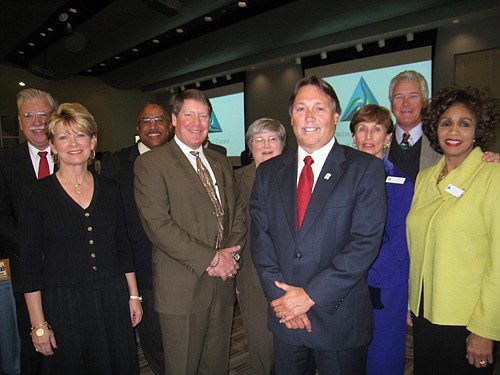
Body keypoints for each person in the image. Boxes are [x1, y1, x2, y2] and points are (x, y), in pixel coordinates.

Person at [250, 75, 387, 375]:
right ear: (291, 118)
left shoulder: (365, 169)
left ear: (336, 117)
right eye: (301, 109)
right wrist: (284, 301)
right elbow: (261, 240)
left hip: (338, 318)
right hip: (286, 317)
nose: (309, 117)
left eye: (319, 109)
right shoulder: (269, 173)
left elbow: (364, 244)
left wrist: (309, 296)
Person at [18, 103, 143, 375]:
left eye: (81, 135)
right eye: (63, 136)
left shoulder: (111, 189)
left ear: (93, 141)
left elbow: (123, 246)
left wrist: (133, 296)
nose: (73, 143)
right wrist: (38, 323)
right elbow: (28, 266)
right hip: (63, 304)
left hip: (111, 297)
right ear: (52, 145)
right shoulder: (36, 195)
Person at [134, 89, 246, 374]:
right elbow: (159, 226)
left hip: (221, 286)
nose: (197, 123)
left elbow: (237, 213)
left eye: (204, 116)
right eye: (189, 115)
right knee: (182, 366)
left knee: (216, 364)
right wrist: (213, 258)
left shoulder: (220, 161)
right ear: (174, 119)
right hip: (181, 288)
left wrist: (230, 256)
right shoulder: (151, 164)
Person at [406, 86, 500, 375]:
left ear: (477, 130)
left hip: (467, 321)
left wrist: (486, 329)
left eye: (464, 123)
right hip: (424, 315)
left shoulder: (492, 177)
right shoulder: (424, 179)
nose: (453, 131)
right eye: (446, 122)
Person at [100, 101, 170, 375]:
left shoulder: (184, 158)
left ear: (170, 125)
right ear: (137, 127)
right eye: (146, 121)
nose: (153, 126)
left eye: (159, 120)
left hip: (183, 269)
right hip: (141, 268)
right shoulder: (115, 164)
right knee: (155, 342)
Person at [350, 104, 413, 375]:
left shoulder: (401, 182)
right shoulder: (341, 180)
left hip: (384, 284)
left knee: (382, 356)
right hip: (348, 282)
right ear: (352, 136)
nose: (368, 136)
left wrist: (361, 275)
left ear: (388, 137)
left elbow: (400, 242)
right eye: (361, 128)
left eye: (377, 129)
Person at [0, 88, 56, 375]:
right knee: (34, 343)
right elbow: (2, 217)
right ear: (20, 122)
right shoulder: (5, 163)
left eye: (44, 114)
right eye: (28, 116)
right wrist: (34, 250)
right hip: (26, 271)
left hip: (70, 271)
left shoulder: (72, 152)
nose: (37, 122)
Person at [235, 117, 287, 375]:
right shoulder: (235, 180)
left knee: (290, 344)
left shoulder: (297, 175)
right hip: (251, 275)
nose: (266, 145)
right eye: (259, 140)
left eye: (272, 139)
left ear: (282, 144)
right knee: (260, 343)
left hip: (292, 276)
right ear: (250, 146)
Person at [387, 70, 500, 182]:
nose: (406, 103)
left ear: (425, 102)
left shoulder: (449, 140)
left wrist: (493, 160)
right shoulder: (377, 143)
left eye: (413, 96)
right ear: (391, 104)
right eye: (399, 97)